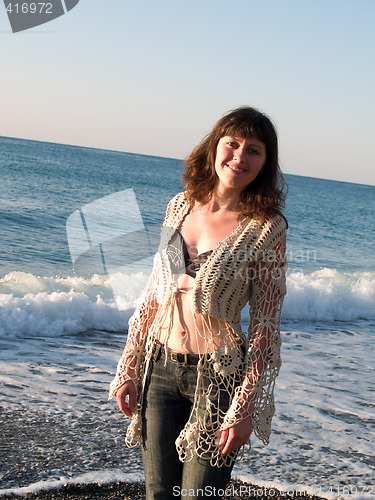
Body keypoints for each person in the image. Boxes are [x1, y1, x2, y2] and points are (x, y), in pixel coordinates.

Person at [109, 106, 288, 499]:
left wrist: (243, 407)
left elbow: (265, 325)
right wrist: (129, 363)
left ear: (265, 162)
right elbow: (155, 294)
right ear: (214, 147)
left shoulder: (266, 228)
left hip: (218, 376)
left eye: (254, 150)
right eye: (232, 144)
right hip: (158, 370)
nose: (240, 157)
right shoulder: (180, 205)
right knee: (159, 492)